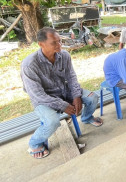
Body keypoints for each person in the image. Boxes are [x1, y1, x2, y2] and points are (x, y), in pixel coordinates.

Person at [21, 27, 102, 159]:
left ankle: (86, 118)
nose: (59, 45)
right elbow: (37, 94)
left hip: (64, 92)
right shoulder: (29, 65)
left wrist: (76, 95)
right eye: (54, 43)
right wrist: (62, 105)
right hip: (43, 100)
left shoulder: (64, 55)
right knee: (52, 121)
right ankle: (35, 143)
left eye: (60, 41)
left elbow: (71, 78)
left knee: (92, 98)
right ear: (41, 44)